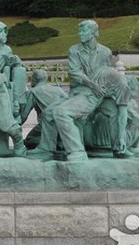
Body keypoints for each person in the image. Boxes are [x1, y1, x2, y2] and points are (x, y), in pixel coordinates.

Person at [48, 20, 112, 161]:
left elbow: (108, 74)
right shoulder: (74, 50)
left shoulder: (106, 52)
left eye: (83, 31)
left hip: (95, 95)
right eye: (79, 31)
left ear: (94, 32)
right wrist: (92, 84)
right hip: (79, 92)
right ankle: (46, 149)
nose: (80, 34)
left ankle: (77, 151)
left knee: (61, 113)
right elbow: (75, 73)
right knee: (48, 113)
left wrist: (102, 89)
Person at [20, 69, 68, 158]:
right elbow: (69, 103)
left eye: (32, 78)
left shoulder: (33, 91)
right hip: (64, 122)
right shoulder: (58, 90)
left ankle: (54, 146)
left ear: (35, 79)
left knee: (29, 141)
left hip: (47, 123)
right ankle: (59, 143)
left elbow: (23, 116)